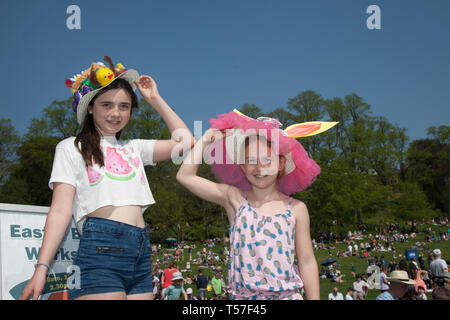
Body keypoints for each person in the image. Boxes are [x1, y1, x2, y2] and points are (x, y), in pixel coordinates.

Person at [20, 58, 194, 300]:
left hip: (141, 251)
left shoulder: (134, 147)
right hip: (99, 248)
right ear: (90, 107)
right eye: (107, 105)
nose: (116, 113)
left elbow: (185, 142)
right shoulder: (71, 147)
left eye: (124, 106)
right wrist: (41, 269)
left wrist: (154, 99)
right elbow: (60, 212)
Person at [176, 110, 335, 300]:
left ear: (281, 163)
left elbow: (307, 261)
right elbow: (184, 176)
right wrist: (205, 140)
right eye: (251, 161)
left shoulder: (297, 209)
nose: (260, 168)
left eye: (268, 159)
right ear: (242, 166)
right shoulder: (234, 199)